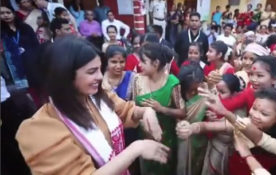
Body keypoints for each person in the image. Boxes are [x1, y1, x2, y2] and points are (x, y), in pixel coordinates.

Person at [16, 36, 168, 175]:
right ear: (65, 75)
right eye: (91, 72)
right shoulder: (42, 129)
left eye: (100, 70)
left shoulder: (96, 97)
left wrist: (146, 112)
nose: (100, 77)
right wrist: (136, 149)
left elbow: (126, 110)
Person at [133, 43, 186, 175]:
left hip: (165, 139)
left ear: (156, 63)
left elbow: (182, 112)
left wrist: (161, 109)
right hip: (144, 137)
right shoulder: (137, 80)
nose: (139, 65)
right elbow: (133, 106)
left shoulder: (172, 82)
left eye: (143, 61)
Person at [176, 63, 208, 175]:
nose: (194, 92)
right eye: (190, 90)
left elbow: (209, 117)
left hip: (199, 139)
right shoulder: (176, 93)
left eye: (197, 88)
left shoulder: (207, 94)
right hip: (181, 138)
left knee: (196, 166)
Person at [1, 5, 39, 90]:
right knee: (25, 91)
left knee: (37, 87)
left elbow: (35, 44)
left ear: (13, 14)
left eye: (8, 12)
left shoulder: (25, 27)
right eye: (2, 13)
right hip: (13, 65)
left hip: (31, 61)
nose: (5, 15)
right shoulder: (1, 32)